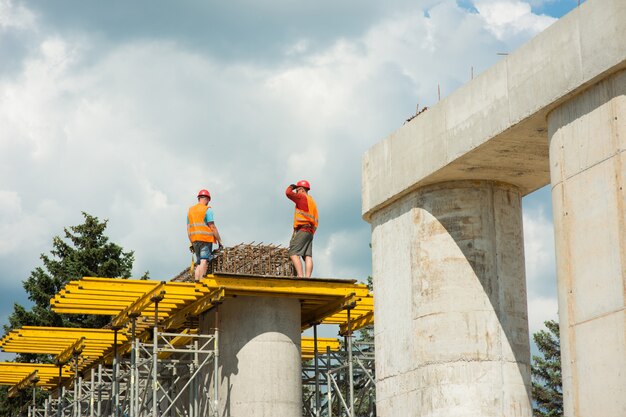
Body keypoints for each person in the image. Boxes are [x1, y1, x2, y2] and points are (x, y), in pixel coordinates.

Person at [187, 189, 223, 281]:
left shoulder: (191, 210)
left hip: (194, 240)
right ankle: (201, 280)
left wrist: (191, 242)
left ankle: (196, 281)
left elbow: (188, 229)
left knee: (199, 262)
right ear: (207, 199)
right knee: (204, 260)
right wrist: (220, 241)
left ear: (199, 198)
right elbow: (212, 227)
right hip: (205, 239)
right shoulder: (207, 210)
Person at [286, 180, 318, 278]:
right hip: (310, 232)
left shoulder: (301, 197)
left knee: (293, 253)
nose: (296, 192)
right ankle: (307, 277)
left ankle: (300, 276)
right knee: (307, 255)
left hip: (303, 230)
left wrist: (292, 186)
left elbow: (288, 193)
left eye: (297, 190)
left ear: (300, 189)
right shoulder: (312, 201)